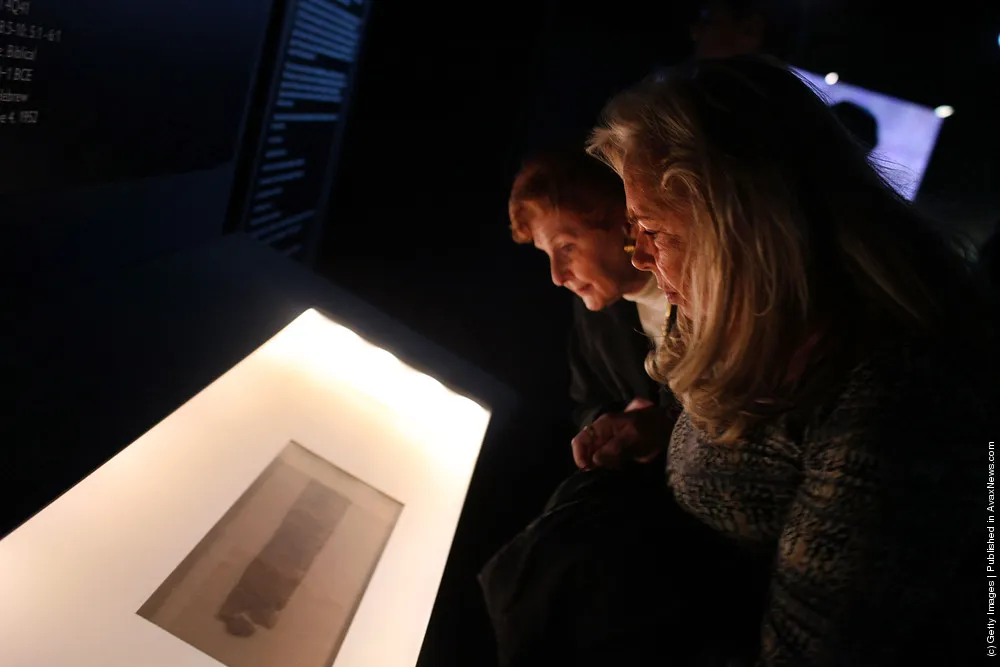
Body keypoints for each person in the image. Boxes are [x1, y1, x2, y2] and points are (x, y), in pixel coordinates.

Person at [582, 56, 992, 664]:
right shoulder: (753, 310)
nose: (637, 257)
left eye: (652, 230)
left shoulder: (896, 401)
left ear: (739, 229)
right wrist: (661, 428)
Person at [506, 145, 673, 432]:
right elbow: (588, 404)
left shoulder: (700, 285)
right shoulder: (594, 319)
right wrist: (607, 426)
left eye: (567, 247)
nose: (557, 277)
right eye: (547, 254)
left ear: (625, 222)